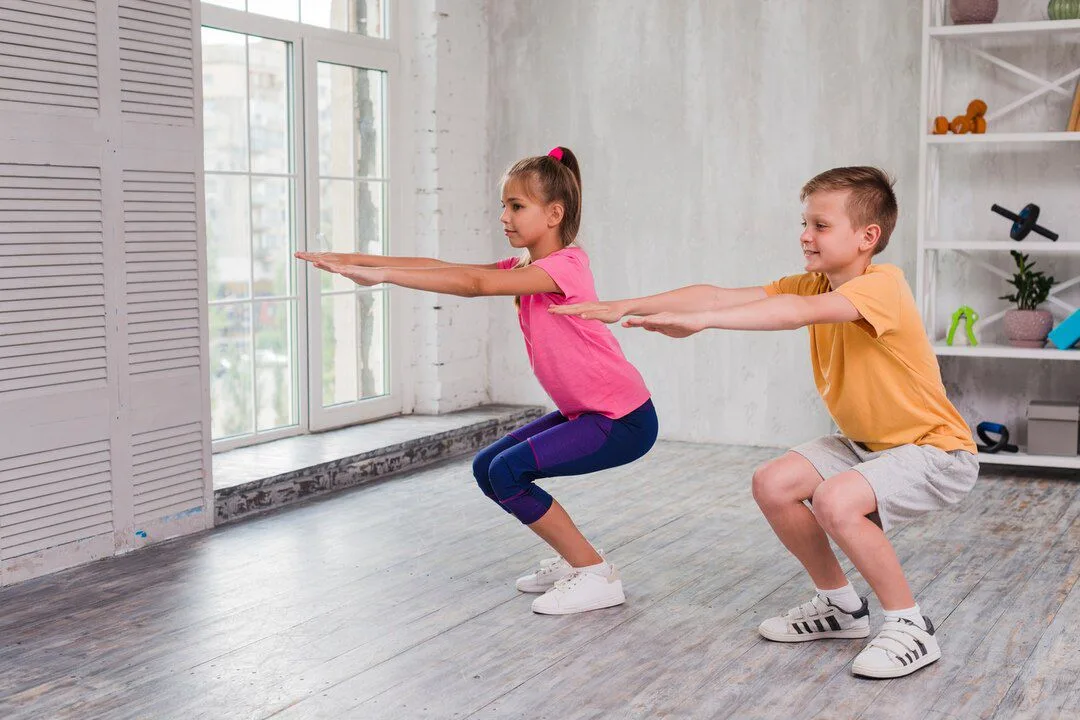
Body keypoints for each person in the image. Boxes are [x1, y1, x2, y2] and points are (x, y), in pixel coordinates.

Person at [552, 166, 978, 676]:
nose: (805, 235)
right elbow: (717, 296)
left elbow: (794, 312)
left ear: (869, 237)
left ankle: (910, 626)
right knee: (773, 483)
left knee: (835, 500)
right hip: (866, 443)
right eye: (805, 223)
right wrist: (625, 305)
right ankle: (841, 608)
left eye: (820, 225)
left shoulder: (882, 286)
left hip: (936, 450)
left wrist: (704, 322)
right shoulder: (815, 282)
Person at [296, 146, 658, 615]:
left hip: (622, 419)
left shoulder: (566, 266)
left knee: (509, 472)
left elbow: (474, 285)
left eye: (516, 206)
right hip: (589, 413)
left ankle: (595, 575)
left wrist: (382, 276)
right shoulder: (526, 267)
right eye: (503, 205)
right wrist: (356, 261)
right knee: (489, 467)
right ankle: (579, 561)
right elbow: (446, 269)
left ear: (554, 213)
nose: (503, 216)